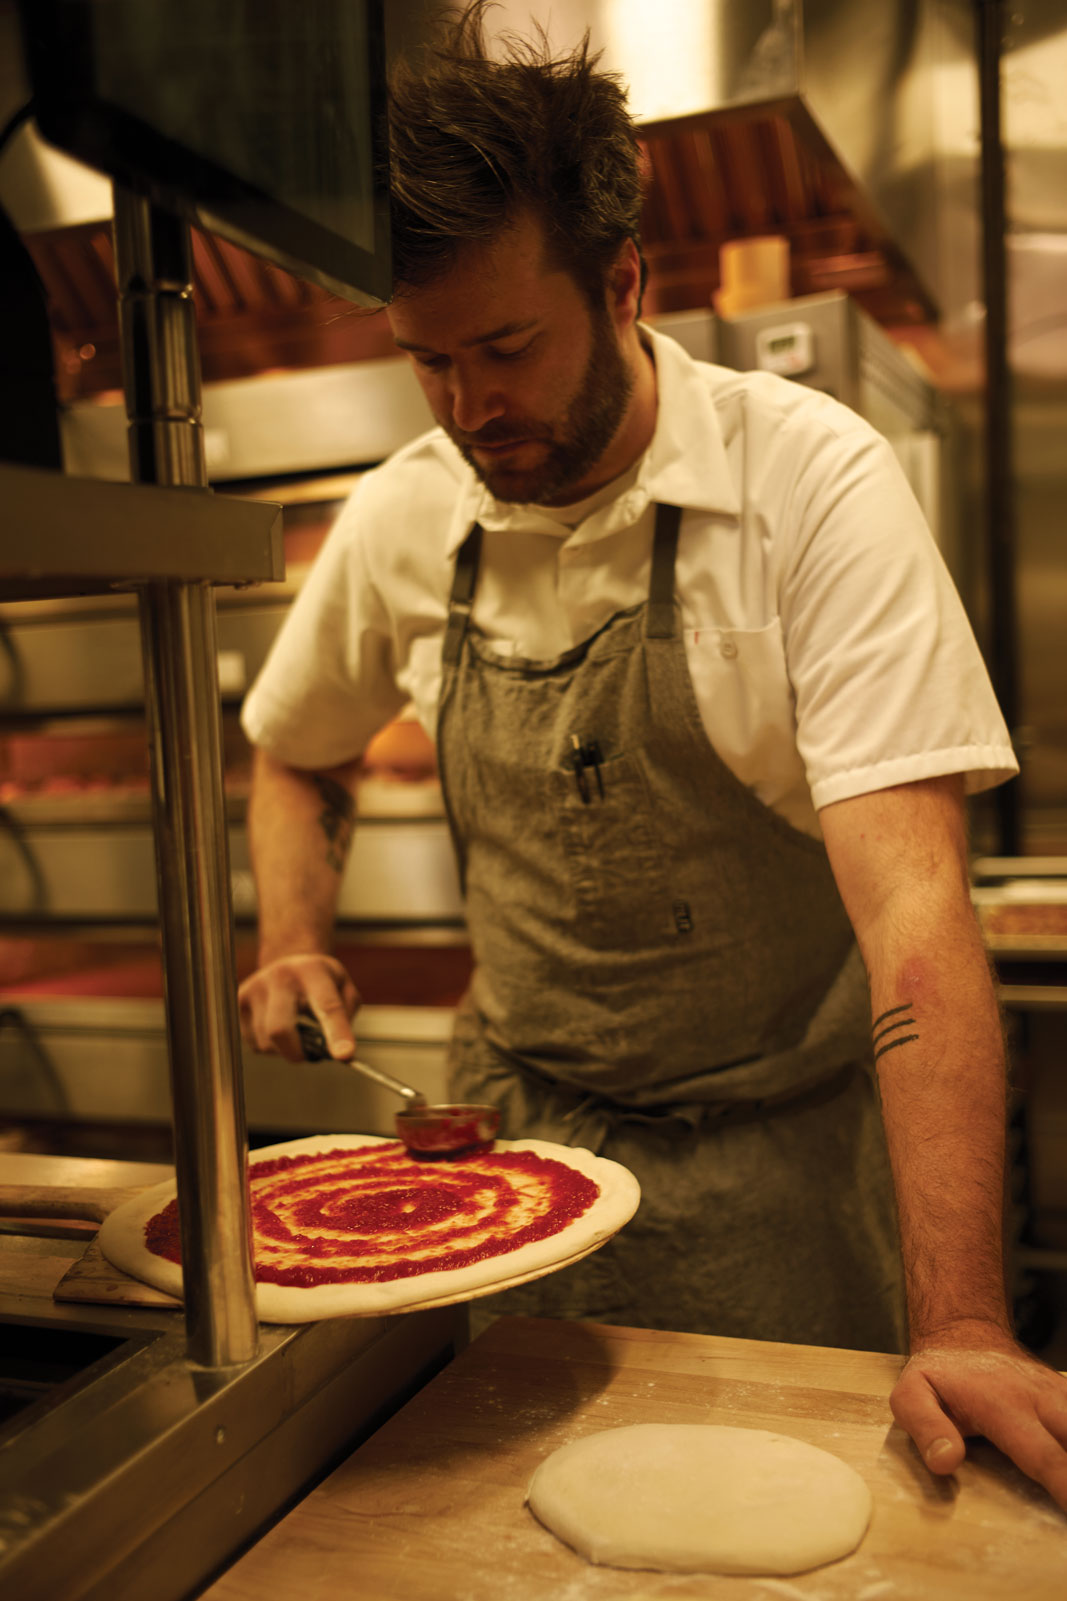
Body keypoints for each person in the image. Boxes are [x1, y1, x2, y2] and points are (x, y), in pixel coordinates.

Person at [237, 4, 1067, 1511]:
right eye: (428, 362)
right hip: (503, 1160)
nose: (469, 408)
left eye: (506, 348)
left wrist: (964, 1321)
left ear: (623, 284)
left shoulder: (812, 486)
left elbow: (914, 918)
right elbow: (295, 751)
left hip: (779, 1173)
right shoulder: (410, 509)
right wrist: (293, 934)